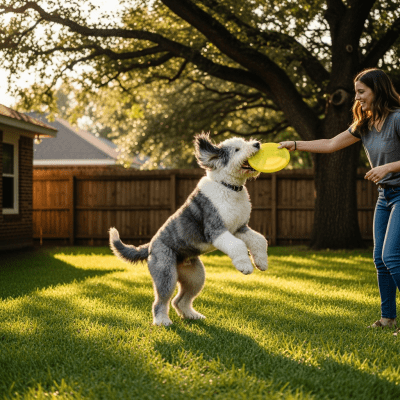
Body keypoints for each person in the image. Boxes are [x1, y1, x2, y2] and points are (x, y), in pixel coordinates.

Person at [279, 68, 400, 336]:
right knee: (379, 259)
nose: (357, 98)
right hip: (385, 196)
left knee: (392, 256)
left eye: (361, 92)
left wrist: (389, 167)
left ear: (377, 90)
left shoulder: (397, 120)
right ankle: (388, 318)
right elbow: (331, 144)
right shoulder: (365, 124)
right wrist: (296, 145)